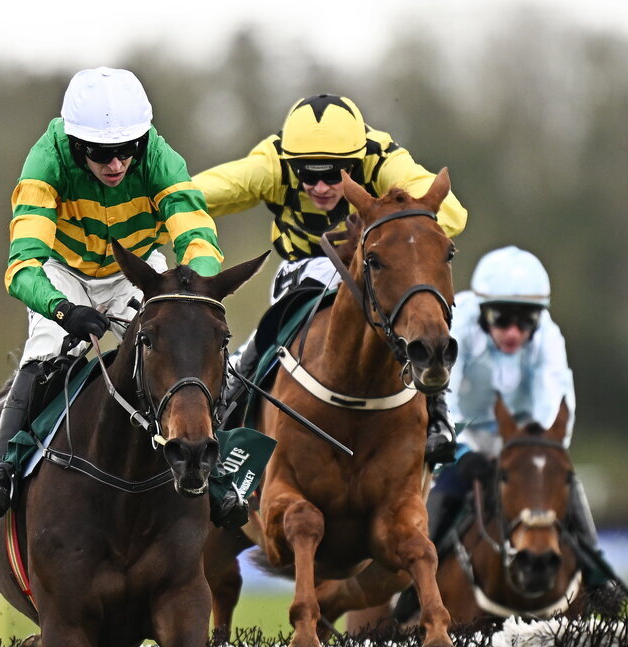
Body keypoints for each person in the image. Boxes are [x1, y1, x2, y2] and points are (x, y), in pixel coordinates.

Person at [0, 67, 225, 536]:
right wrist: (65, 311)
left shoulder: (161, 158)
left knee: (195, 344)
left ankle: (218, 471)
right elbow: (23, 267)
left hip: (135, 271)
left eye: (127, 150)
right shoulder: (46, 162)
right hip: (61, 274)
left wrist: (193, 294)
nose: (117, 164)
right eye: (102, 154)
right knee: (43, 358)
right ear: (76, 144)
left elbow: (198, 236)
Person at [193, 93, 468, 462]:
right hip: (302, 270)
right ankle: (232, 403)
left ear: (358, 160)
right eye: (308, 174)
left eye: (335, 174)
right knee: (275, 325)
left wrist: (386, 234)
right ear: (291, 164)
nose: (320, 188)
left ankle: (437, 413)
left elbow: (452, 215)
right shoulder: (271, 162)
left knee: (423, 304)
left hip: (377, 267)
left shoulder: (383, 158)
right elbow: (192, 195)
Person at [393, 244, 622, 619]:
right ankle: (410, 594)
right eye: (502, 319)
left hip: (522, 437)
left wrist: (538, 453)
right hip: (457, 428)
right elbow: (441, 398)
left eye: (525, 321)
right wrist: (464, 455)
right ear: (483, 311)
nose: (514, 332)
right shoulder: (456, 327)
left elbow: (557, 403)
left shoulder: (549, 338)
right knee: (447, 491)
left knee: (566, 481)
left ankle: (597, 575)